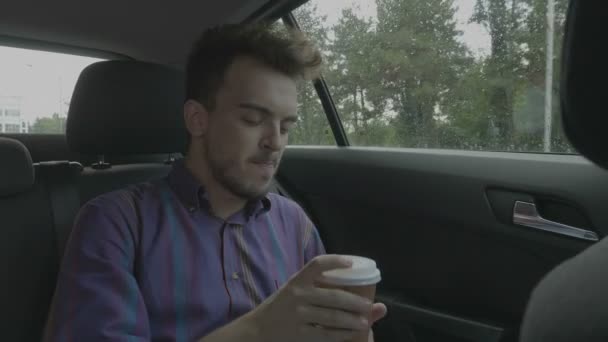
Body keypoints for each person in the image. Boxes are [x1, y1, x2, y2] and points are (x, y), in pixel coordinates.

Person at [44, 24, 387, 342]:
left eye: (285, 126)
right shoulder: (114, 223)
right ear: (197, 120)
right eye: (254, 119)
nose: (275, 142)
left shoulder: (295, 223)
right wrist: (259, 328)